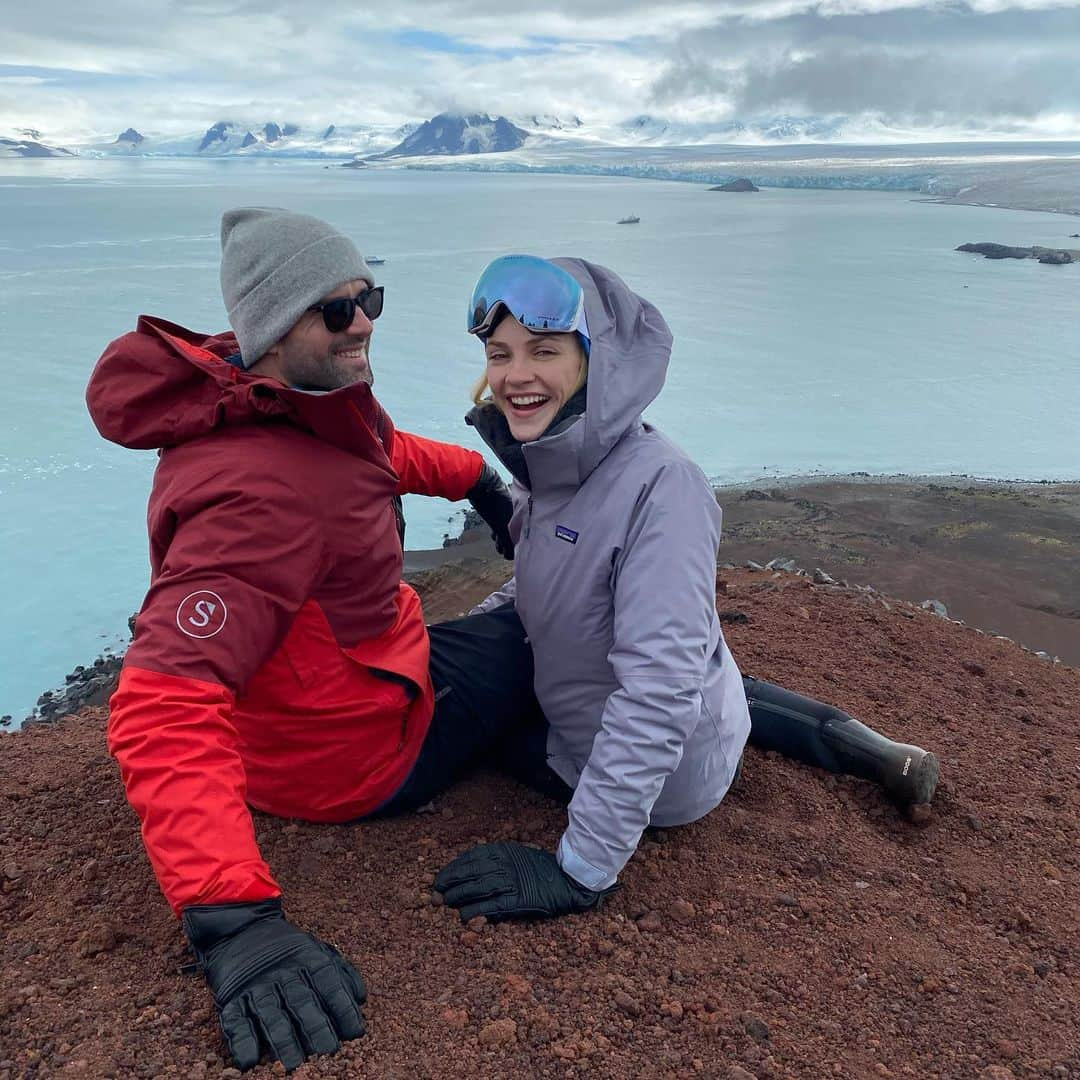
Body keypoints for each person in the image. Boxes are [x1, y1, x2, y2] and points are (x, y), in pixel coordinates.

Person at [84, 209, 542, 1074]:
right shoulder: (257, 500)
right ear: (270, 325)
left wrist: (480, 479)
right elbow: (160, 705)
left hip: (340, 697)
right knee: (574, 627)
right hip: (365, 752)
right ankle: (784, 730)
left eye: (368, 296)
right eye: (335, 310)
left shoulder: (274, 402)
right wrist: (235, 924)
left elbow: (377, 455)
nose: (363, 320)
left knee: (511, 646)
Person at [432, 254, 940, 924]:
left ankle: (837, 749)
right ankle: (871, 751)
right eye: (500, 354)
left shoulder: (663, 485)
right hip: (693, 722)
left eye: (543, 350)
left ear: (596, 360)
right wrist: (467, 632)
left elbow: (657, 693)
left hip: (665, 786)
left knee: (491, 717)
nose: (514, 375)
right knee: (700, 659)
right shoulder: (557, 470)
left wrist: (581, 869)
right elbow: (544, 587)